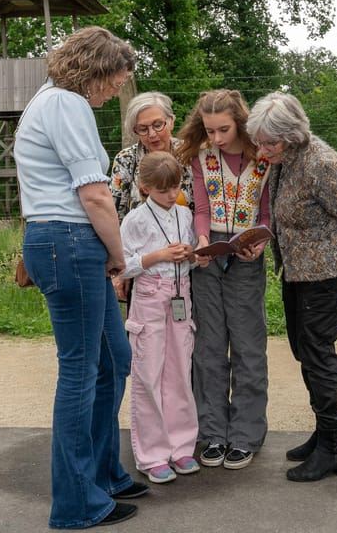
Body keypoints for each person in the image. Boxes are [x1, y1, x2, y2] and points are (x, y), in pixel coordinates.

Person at [14, 26, 145, 528]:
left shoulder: (47, 102)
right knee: (81, 373)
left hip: (61, 239)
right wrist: (119, 255)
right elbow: (94, 194)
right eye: (114, 82)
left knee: (114, 360)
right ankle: (76, 503)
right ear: (94, 71)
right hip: (71, 241)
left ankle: (103, 475)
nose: (115, 92)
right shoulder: (67, 106)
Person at [246, 91, 337, 483]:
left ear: (293, 134)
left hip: (325, 276)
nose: (263, 150)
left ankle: (334, 448)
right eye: (260, 142)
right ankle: (322, 434)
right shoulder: (288, 158)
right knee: (305, 351)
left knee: (319, 355)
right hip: (298, 273)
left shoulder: (320, 163)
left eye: (270, 142)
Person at [174, 89, 271, 471]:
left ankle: (245, 434)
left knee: (248, 347)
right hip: (209, 254)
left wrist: (259, 240)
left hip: (247, 254)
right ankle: (212, 432)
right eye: (209, 130)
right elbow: (201, 206)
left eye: (223, 130)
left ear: (241, 122)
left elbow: (266, 210)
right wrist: (201, 240)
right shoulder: (202, 156)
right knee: (208, 347)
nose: (215, 138)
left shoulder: (264, 156)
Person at [118, 151, 202, 484]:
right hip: (150, 297)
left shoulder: (185, 214)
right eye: (163, 189)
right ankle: (152, 453)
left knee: (180, 371)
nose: (171, 194)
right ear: (144, 186)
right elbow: (122, 265)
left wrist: (195, 257)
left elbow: (192, 255)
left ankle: (181, 446)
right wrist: (158, 256)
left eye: (176, 187)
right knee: (148, 373)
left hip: (181, 293)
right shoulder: (134, 219)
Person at [109, 92, 193, 303]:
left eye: (158, 125)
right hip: (143, 268)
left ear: (171, 121)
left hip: (186, 263)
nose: (152, 134)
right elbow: (115, 214)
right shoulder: (126, 160)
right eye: (143, 129)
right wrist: (119, 270)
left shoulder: (190, 154)